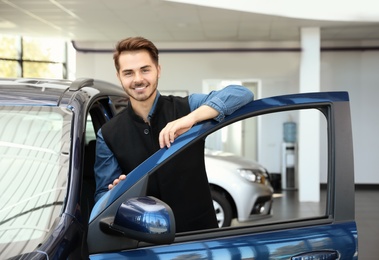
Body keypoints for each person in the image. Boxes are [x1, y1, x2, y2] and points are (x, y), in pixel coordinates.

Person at [94, 36, 254, 232]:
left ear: (158, 70)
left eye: (145, 70)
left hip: (200, 235)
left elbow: (242, 93)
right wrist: (116, 195)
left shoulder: (188, 107)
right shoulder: (108, 134)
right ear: (119, 76)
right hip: (143, 241)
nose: (138, 79)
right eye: (128, 72)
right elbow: (102, 197)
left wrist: (191, 118)